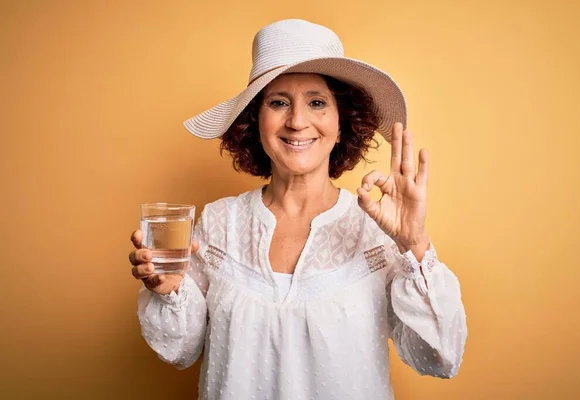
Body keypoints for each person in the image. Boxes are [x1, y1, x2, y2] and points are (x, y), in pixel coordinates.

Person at [128, 19, 467, 400]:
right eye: (278, 103)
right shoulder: (219, 223)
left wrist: (414, 244)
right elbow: (180, 351)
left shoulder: (378, 231)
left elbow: (440, 358)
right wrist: (169, 291)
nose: (297, 121)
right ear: (256, 121)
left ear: (342, 124)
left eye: (317, 102)